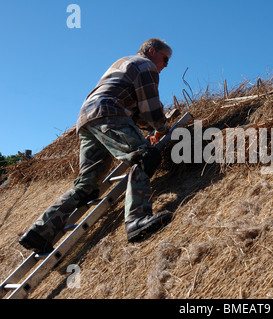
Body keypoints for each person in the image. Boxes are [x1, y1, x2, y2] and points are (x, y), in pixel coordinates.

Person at [19, 38, 174, 254]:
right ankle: (136, 220)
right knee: (144, 156)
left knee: (87, 185)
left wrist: (146, 130)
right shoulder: (146, 65)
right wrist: (162, 130)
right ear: (152, 51)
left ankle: (39, 232)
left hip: (86, 118)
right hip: (108, 111)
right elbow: (151, 109)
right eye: (165, 59)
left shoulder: (123, 63)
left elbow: (136, 112)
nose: (166, 65)